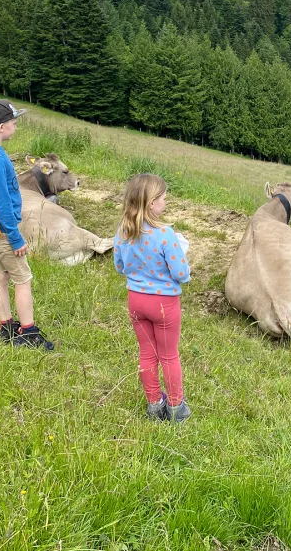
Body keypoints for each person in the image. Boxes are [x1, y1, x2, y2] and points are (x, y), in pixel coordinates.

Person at [0, 99, 54, 350]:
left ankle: (6, 326)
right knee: (23, 278)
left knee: (0, 276)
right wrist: (15, 237)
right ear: (1, 127)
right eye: (13, 122)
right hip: (0, 229)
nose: (15, 126)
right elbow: (2, 203)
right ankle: (28, 332)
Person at [114, 174, 192, 422]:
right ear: (151, 203)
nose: (166, 203)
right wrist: (183, 255)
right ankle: (176, 407)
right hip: (164, 304)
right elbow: (181, 274)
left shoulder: (123, 231)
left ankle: (154, 404)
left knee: (146, 353)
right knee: (169, 355)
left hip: (136, 301)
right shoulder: (166, 234)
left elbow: (119, 266)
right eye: (164, 199)